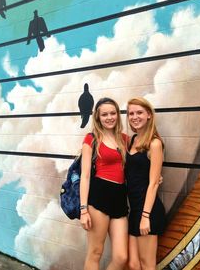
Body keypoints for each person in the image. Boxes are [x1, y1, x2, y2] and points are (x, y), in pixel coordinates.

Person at [79, 97, 129, 270]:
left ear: (118, 115)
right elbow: (85, 176)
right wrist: (83, 209)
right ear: (98, 117)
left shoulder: (125, 139)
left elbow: (137, 164)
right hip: (99, 197)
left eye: (113, 113)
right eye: (105, 114)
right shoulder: (91, 139)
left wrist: (155, 176)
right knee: (95, 252)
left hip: (120, 198)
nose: (109, 117)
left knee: (121, 257)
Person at [125, 97, 166, 270]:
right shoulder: (132, 140)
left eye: (139, 112)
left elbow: (154, 183)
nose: (135, 117)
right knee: (133, 264)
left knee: (147, 265)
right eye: (131, 113)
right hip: (134, 209)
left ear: (149, 114)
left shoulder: (154, 143)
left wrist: (145, 216)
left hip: (148, 210)